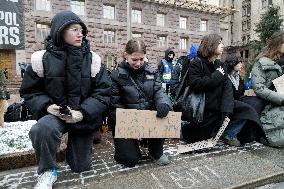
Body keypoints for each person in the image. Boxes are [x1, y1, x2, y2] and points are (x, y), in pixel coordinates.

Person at [19, 11, 111, 188]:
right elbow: (29, 91)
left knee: (80, 167)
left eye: (81, 30)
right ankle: (47, 171)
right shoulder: (41, 59)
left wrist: (83, 112)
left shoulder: (93, 60)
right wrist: (47, 107)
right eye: (74, 29)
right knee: (41, 129)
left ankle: (82, 147)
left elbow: (103, 93)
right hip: (56, 114)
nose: (80, 34)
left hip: (81, 116)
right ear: (59, 31)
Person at [181, 34, 262, 146]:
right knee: (197, 138)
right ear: (210, 45)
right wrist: (217, 75)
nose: (223, 45)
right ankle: (184, 130)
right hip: (204, 109)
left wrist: (227, 110)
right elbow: (196, 84)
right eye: (219, 43)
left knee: (248, 110)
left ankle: (229, 133)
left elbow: (227, 87)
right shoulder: (196, 63)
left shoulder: (220, 65)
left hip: (219, 105)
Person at [110, 38, 172, 167]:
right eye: (134, 59)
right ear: (126, 55)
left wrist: (164, 104)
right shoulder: (116, 76)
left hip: (148, 118)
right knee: (129, 160)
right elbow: (115, 105)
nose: (138, 63)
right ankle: (129, 146)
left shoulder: (151, 72)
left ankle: (155, 150)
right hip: (127, 122)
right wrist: (134, 126)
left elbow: (159, 91)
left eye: (141, 59)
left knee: (163, 112)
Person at [251, 30, 284, 147]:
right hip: (268, 105)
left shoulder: (281, 62)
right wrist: (280, 97)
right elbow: (259, 88)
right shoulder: (261, 63)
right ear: (277, 44)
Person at [224, 53, 265, 144]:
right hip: (228, 103)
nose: (241, 64)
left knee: (257, 102)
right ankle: (230, 133)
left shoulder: (238, 77)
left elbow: (242, 92)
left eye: (241, 62)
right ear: (232, 63)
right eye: (239, 62)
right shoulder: (225, 76)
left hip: (238, 100)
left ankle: (251, 133)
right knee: (247, 109)